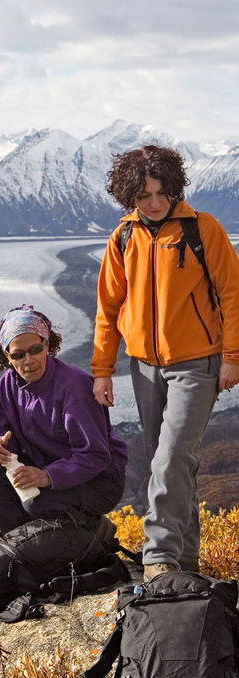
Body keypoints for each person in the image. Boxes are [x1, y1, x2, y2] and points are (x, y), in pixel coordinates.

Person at [91, 144, 239, 581]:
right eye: (143, 195)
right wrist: (102, 369)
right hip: (144, 367)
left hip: (197, 362)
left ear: (173, 189)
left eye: (161, 192)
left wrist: (232, 357)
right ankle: (186, 562)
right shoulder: (123, 237)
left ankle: (157, 556)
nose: (154, 202)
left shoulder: (202, 229)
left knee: (171, 457)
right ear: (129, 198)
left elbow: (232, 295)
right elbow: (108, 307)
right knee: (172, 460)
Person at [0, 304, 127, 557]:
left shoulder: (74, 387)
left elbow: (96, 456)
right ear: (7, 357)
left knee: (36, 503)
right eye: (18, 355)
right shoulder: (7, 385)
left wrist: (47, 476)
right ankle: (23, 550)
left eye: (36, 349)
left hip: (99, 480)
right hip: (47, 466)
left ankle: (93, 530)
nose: (29, 360)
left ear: (47, 345)